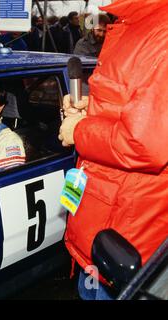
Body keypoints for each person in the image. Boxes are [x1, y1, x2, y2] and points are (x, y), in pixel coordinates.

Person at [58, 0, 168, 300]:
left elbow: (145, 144)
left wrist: (78, 130)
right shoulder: (135, 22)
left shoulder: (162, 32)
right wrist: (89, 108)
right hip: (98, 234)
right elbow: (126, 107)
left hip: (128, 247)